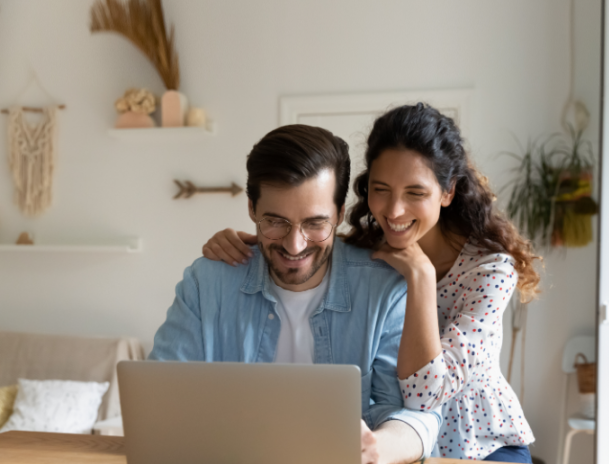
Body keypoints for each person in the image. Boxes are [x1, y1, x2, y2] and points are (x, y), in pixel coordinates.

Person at [202, 103, 541, 462]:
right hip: (404, 448)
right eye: (382, 189)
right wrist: (256, 244)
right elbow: (304, 244)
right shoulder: (370, 252)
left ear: (447, 191)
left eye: (415, 193)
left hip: (480, 445)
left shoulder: (490, 272)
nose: (394, 210)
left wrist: (421, 276)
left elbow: (426, 395)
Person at [149, 124, 441, 464]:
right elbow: (161, 401)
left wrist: (377, 448)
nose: (294, 244)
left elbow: (415, 413)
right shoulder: (207, 281)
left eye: (315, 223)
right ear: (252, 210)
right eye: (276, 221)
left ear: (339, 215)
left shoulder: (383, 288)